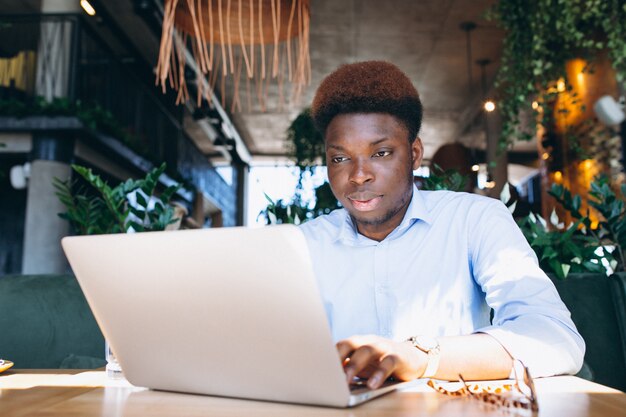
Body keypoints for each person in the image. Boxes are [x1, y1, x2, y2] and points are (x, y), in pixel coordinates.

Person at [299, 61, 584, 390]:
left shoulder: (474, 219)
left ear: (415, 154)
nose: (359, 175)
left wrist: (422, 356)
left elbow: (556, 338)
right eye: (340, 158)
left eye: (380, 153)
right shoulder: (306, 243)